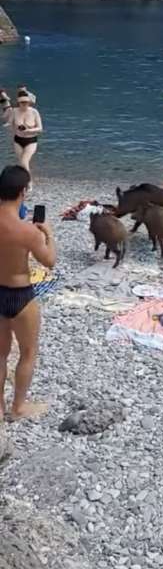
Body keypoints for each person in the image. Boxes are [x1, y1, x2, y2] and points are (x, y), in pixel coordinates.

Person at [0, 165, 56, 421]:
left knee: (0, 354)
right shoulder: (28, 231)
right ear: (23, 191)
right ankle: (18, 407)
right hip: (21, 295)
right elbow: (49, 262)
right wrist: (48, 235)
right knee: (28, 352)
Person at [3, 91, 43, 177]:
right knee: (22, 162)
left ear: (29, 103)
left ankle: (29, 182)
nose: (24, 104)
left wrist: (29, 131)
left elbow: (40, 129)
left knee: (24, 161)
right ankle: (23, 181)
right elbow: (10, 123)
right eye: (22, 103)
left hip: (31, 140)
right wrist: (9, 126)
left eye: (25, 102)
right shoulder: (14, 111)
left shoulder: (34, 112)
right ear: (19, 103)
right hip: (18, 140)